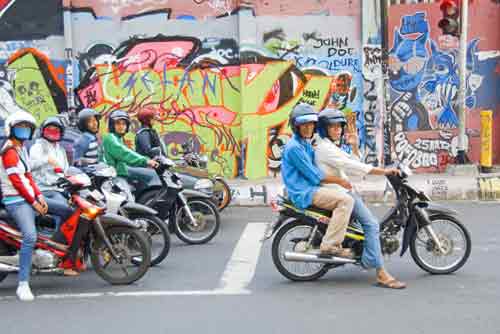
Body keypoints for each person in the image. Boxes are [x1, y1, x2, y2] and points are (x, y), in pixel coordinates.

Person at [314, 108, 406, 289]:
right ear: (324, 129)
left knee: (365, 225)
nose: (338, 130)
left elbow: (351, 163)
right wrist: (384, 171)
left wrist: (355, 145)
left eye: (339, 126)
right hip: (339, 192)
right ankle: (381, 272)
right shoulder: (325, 149)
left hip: (343, 190)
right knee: (371, 225)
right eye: (333, 127)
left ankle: (364, 253)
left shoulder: (330, 146)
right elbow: (354, 166)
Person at [281, 103, 355, 258]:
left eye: (311, 124)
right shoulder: (294, 147)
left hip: (310, 188)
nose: (308, 128)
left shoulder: (304, 143)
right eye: (304, 125)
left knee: (344, 196)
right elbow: (314, 175)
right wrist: (339, 181)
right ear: (296, 126)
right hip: (305, 192)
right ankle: (330, 245)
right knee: (346, 201)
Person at [0, 111, 47, 301]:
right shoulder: (9, 151)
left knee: (63, 208)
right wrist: (34, 202)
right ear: (11, 129)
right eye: (21, 127)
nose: (24, 130)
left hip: (27, 197)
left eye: (28, 127)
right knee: (30, 236)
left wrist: (40, 195)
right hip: (15, 200)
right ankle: (23, 284)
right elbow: (17, 182)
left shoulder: (21, 149)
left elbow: (28, 176)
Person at [29, 117, 81, 277]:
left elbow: (64, 169)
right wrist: (47, 160)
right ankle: (58, 251)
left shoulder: (61, 149)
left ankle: (71, 254)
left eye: (56, 130)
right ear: (43, 131)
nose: (52, 133)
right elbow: (30, 165)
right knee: (65, 211)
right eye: (49, 129)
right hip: (43, 191)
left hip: (60, 189)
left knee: (77, 211)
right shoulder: (38, 147)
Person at [102, 110, 159, 183]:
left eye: (124, 124)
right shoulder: (110, 138)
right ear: (112, 125)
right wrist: (146, 161)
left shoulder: (118, 138)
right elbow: (124, 153)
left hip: (121, 172)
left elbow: (128, 154)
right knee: (151, 175)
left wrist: (147, 160)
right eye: (118, 123)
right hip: (113, 176)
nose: (121, 126)